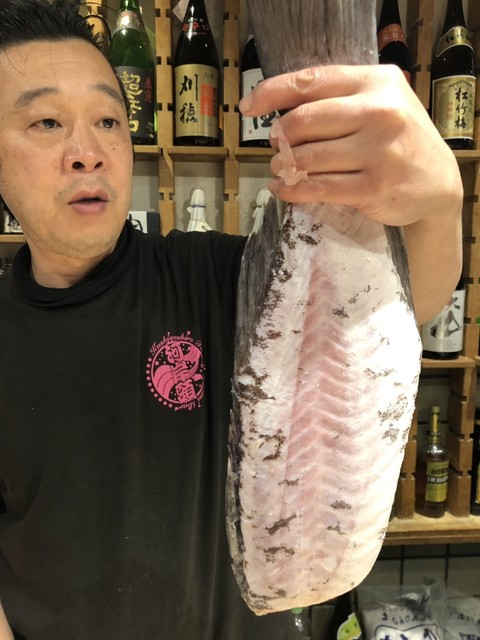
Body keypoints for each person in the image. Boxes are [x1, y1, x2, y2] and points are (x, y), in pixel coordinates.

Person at [0, 0, 462, 638]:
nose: (88, 152)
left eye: (107, 119)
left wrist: (439, 203)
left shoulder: (210, 277)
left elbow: (410, 302)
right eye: (47, 122)